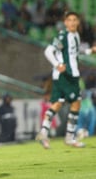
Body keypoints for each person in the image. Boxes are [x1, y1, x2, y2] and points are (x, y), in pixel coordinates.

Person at [36, 12, 96, 149]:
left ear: (78, 22)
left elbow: (75, 52)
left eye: (75, 20)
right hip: (66, 75)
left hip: (68, 75)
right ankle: (69, 137)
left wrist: (89, 51)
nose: (73, 22)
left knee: (57, 104)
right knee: (75, 103)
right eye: (69, 20)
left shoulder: (75, 36)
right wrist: (57, 65)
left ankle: (44, 132)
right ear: (65, 22)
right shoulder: (62, 36)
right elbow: (48, 51)